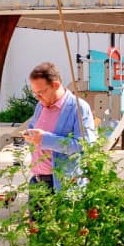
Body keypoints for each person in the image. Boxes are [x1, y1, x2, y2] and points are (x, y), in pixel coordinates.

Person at [20, 62, 97, 212]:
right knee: (36, 233)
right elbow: (34, 129)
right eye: (35, 94)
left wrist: (45, 139)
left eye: (41, 92)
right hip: (37, 181)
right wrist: (30, 135)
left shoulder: (78, 108)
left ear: (55, 85)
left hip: (63, 183)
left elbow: (84, 144)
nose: (38, 98)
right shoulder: (40, 105)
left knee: (62, 233)